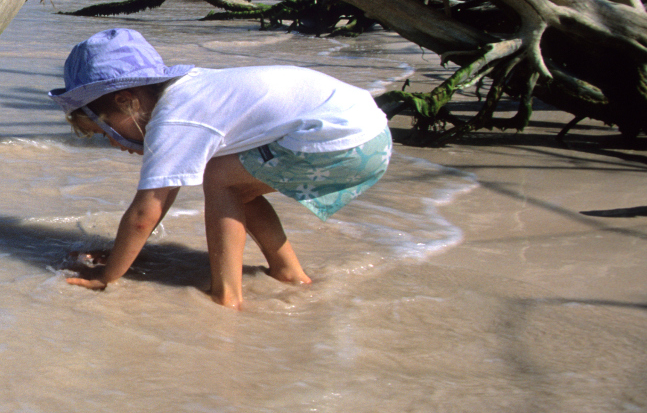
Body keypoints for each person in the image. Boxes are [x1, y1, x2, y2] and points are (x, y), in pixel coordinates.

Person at [49, 28, 391, 309]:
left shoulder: (173, 117)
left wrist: (107, 275)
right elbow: (158, 205)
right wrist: (125, 252)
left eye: (106, 131)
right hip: (368, 132)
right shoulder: (191, 92)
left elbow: (145, 213)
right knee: (234, 181)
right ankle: (288, 272)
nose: (113, 143)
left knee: (220, 178)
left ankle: (227, 295)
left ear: (127, 102)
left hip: (342, 137)